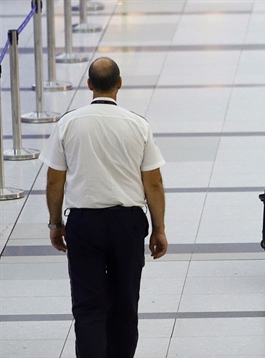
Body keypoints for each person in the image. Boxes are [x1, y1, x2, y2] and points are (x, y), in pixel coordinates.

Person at [39, 57, 168, 357]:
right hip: (128, 223)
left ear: (89, 86)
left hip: (84, 224)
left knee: (88, 307)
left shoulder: (68, 123)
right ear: (119, 84)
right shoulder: (138, 125)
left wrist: (55, 223)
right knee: (125, 304)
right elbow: (154, 183)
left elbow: (54, 181)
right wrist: (159, 229)